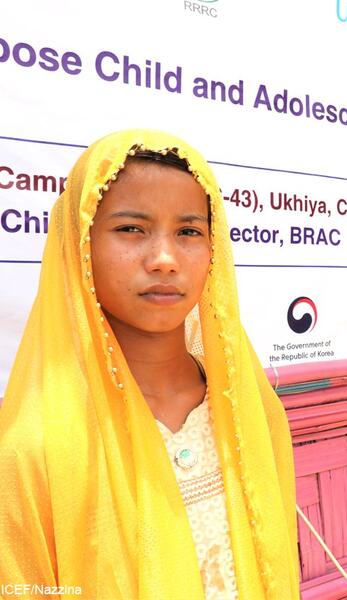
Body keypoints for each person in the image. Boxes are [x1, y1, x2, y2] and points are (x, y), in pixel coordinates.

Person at [0, 130, 300, 599]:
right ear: (78, 246)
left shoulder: (249, 415)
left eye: (188, 232)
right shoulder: (33, 448)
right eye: (131, 228)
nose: (164, 259)